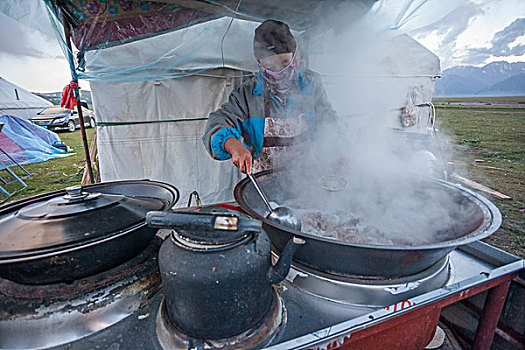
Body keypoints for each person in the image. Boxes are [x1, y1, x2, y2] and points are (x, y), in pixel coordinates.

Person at [203, 19, 337, 174]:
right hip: (263, 182)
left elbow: (328, 121)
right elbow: (218, 122)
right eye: (270, 66)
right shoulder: (246, 94)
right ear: (259, 64)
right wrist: (233, 145)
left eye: (284, 62)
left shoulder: (311, 84)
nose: (278, 72)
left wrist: (336, 148)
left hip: (306, 178)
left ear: (296, 58)